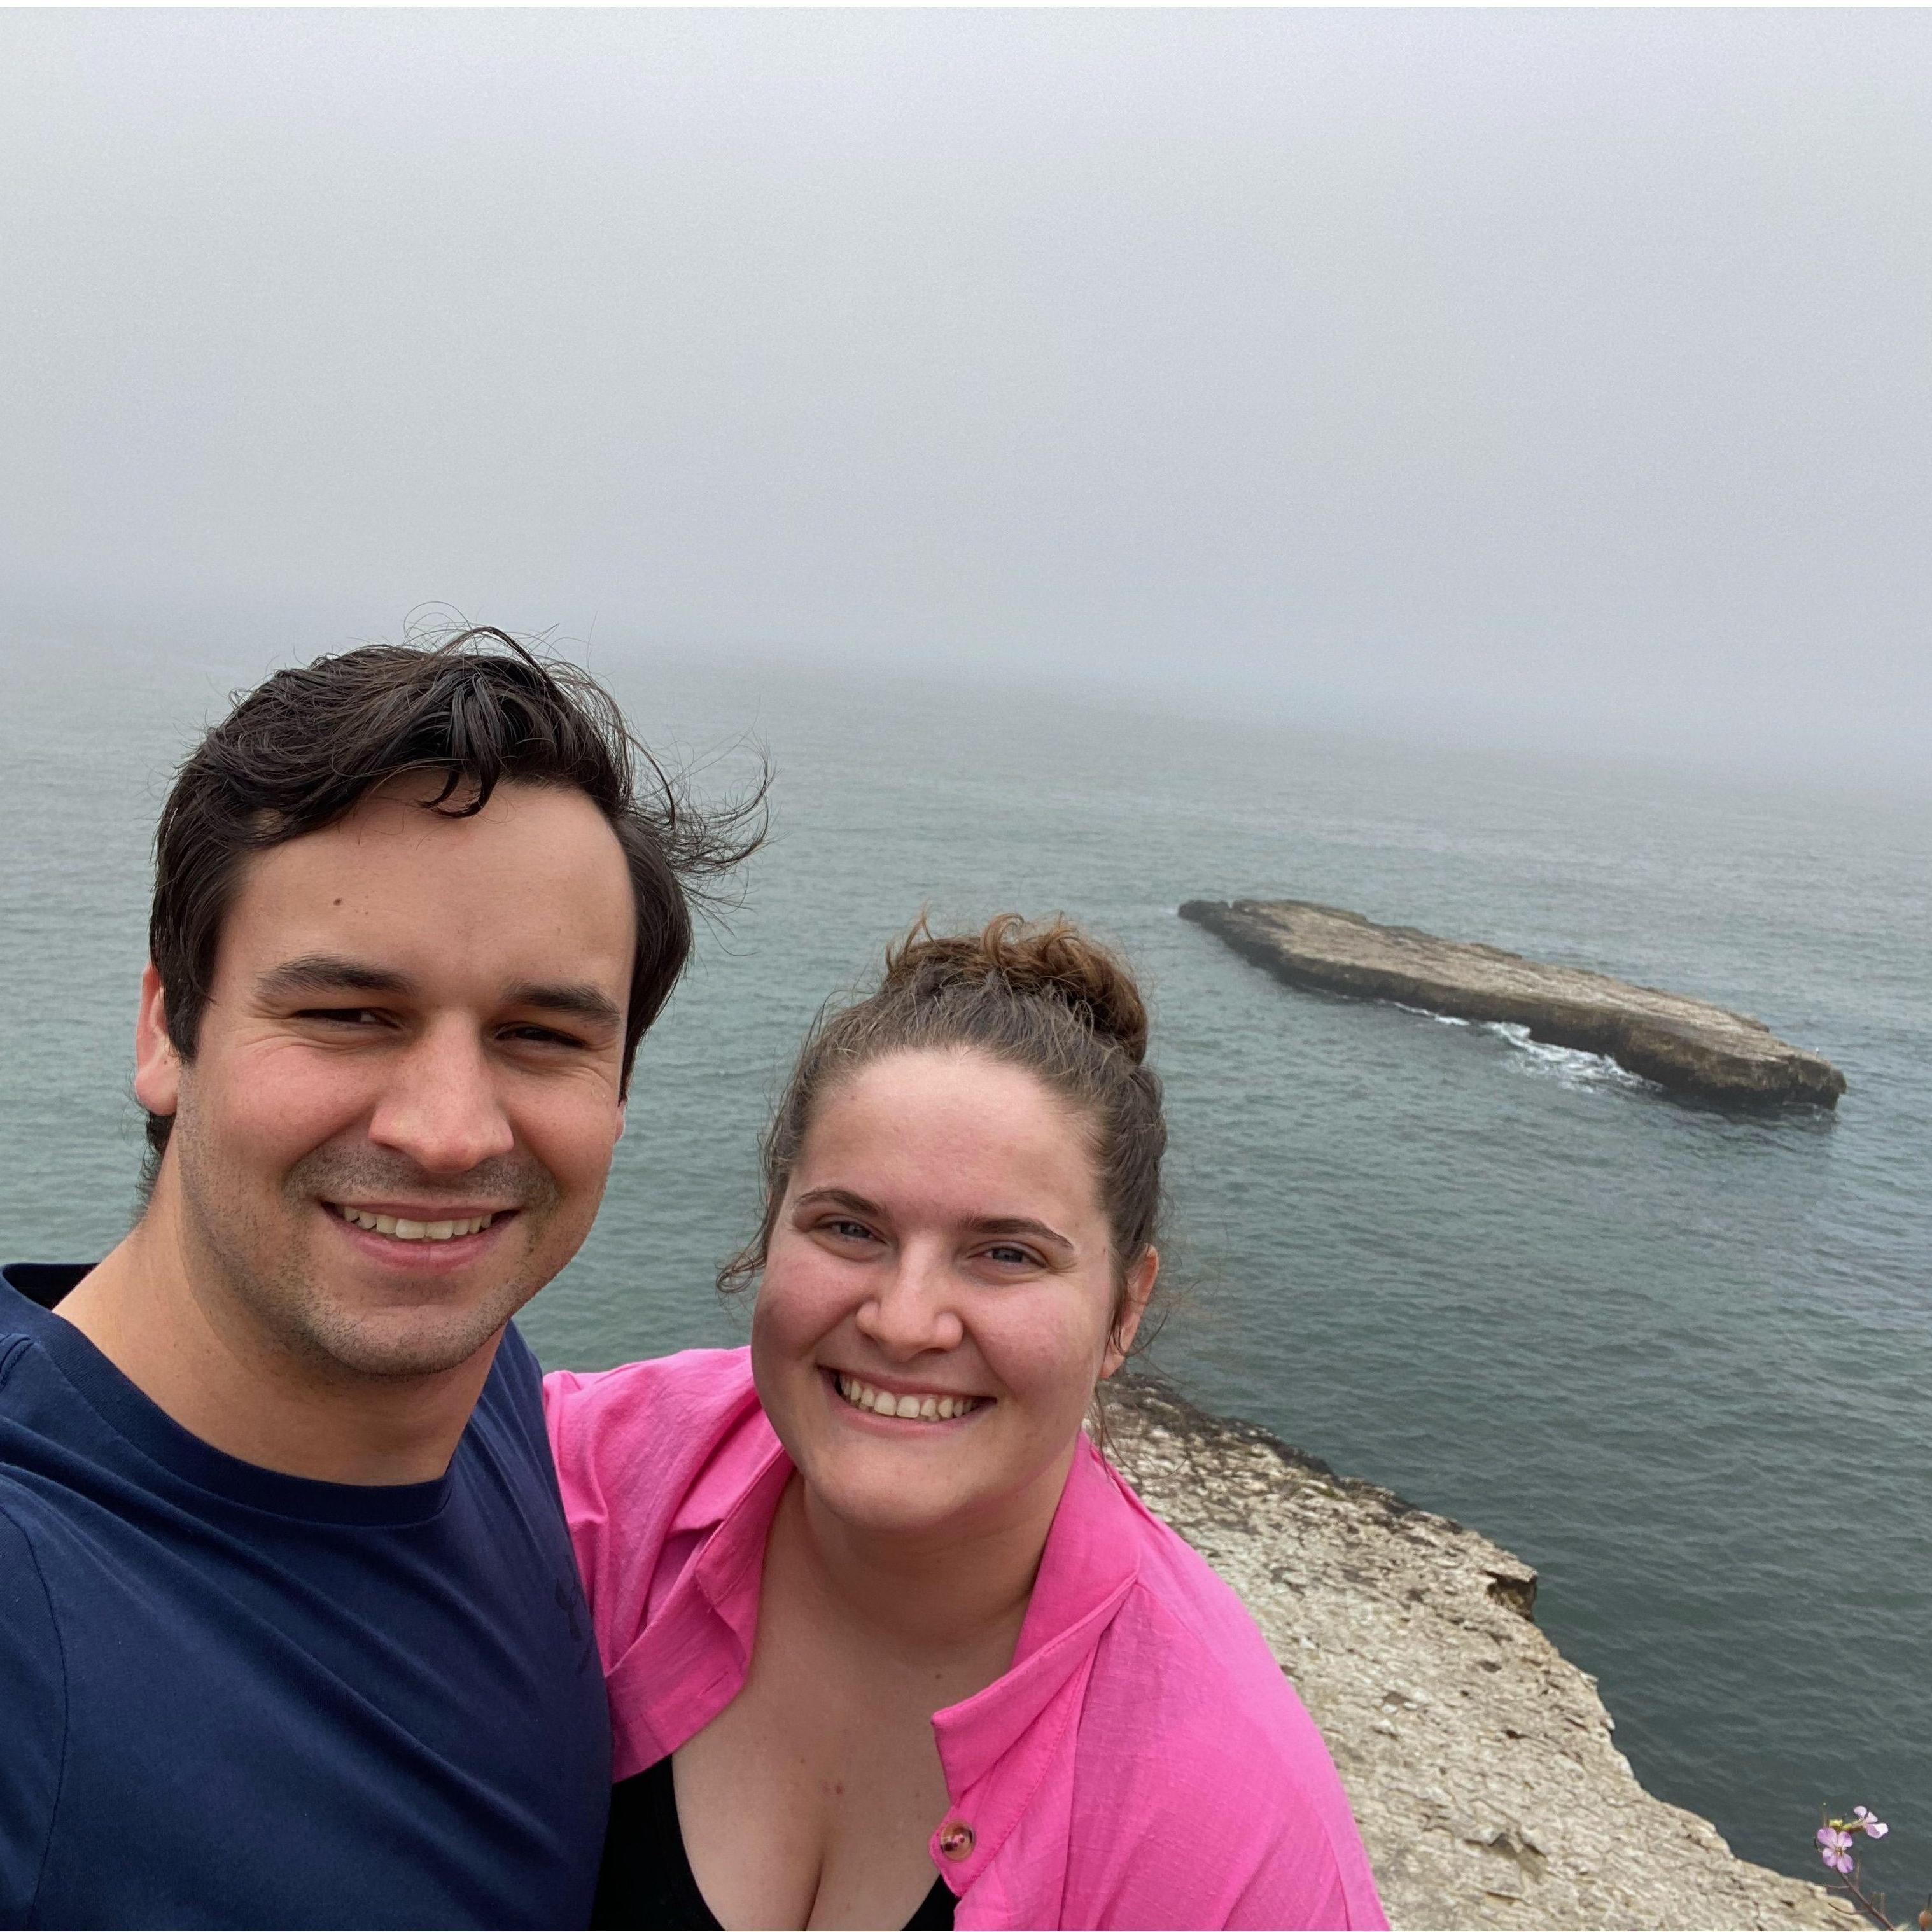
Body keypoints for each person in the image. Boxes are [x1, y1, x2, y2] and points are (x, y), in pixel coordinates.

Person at [0, 630, 759, 1929]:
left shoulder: (481, 1387)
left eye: (540, 1035)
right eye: (350, 1015)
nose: (450, 1133)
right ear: (167, 1031)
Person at [546, 916, 1387, 1932]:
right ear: (771, 1231)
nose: (905, 1322)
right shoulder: (588, 1476)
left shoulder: (1225, 1822)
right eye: (850, 1228)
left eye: (1007, 1255)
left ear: (1125, 1310)